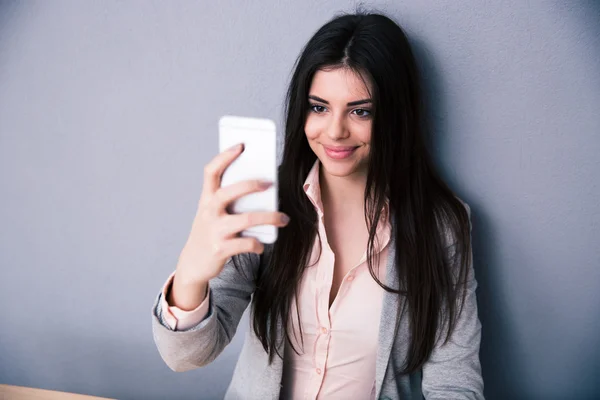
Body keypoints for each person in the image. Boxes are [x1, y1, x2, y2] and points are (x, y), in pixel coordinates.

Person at [152, 10, 484, 400]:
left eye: (361, 111)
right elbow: (185, 356)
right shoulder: (264, 201)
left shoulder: (441, 226)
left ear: (395, 115)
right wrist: (191, 275)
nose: (335, 131)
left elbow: (455, 383)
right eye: (319, 107)